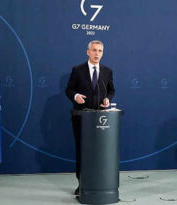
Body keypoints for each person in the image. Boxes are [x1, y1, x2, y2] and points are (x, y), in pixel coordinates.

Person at [65, 40, 115, 195]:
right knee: (83, 151)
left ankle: (98, 183)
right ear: (88, 52)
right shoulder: (77, 70)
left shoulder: (107, 71)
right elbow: (69, 90)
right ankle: (82, 183)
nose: (97, 54)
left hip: (100, 118)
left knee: (99, 152)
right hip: (81, 118)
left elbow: (111, 90)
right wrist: (76, 96)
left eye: (100, 51)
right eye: (94, 50)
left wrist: (108, 99)